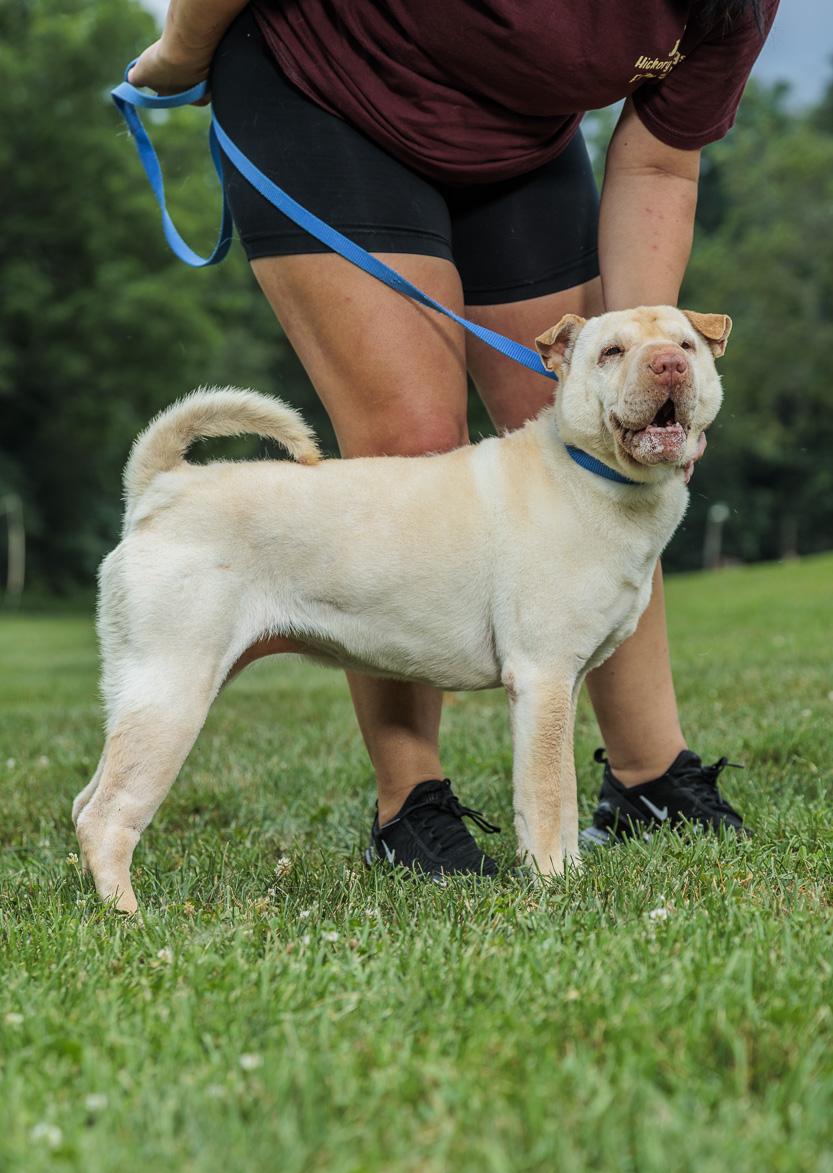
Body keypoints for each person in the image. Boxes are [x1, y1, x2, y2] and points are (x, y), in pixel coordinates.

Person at [129, 0, 778, 876]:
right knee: (410, 441)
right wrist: (185, 45)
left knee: (599, 469)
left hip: (518, 137)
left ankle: (649, 778)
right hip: (328, 90)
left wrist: (630, 359)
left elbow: (661, 161)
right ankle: (411, 806)